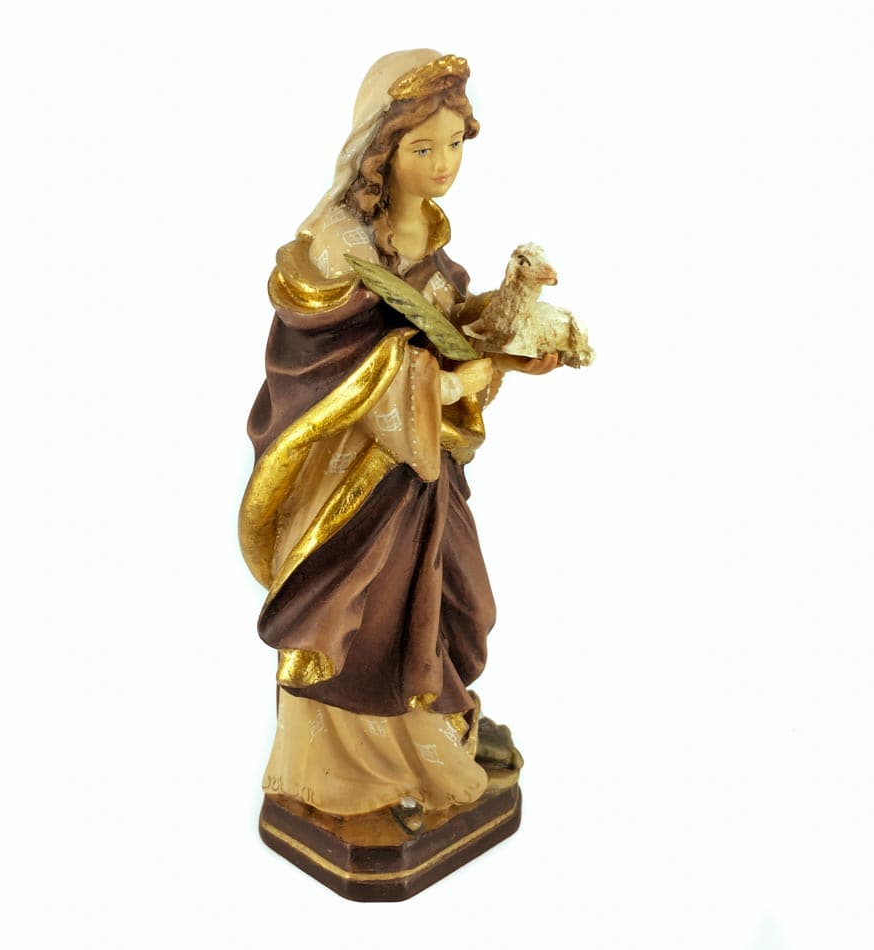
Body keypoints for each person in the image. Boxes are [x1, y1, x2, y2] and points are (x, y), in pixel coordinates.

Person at [239, 49, 558, 834]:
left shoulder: (428, 229)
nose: (444, 163)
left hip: (422, 471)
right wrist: (442, 387)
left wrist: (515, 327)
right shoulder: (339, 243)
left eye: (454, 143)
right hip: (356, 483)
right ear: (382, 148)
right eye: (423, 147)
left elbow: (442, 329)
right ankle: (368, 775)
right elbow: (336, 364)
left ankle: (435, 736)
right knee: (370, 626)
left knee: (460, 606)